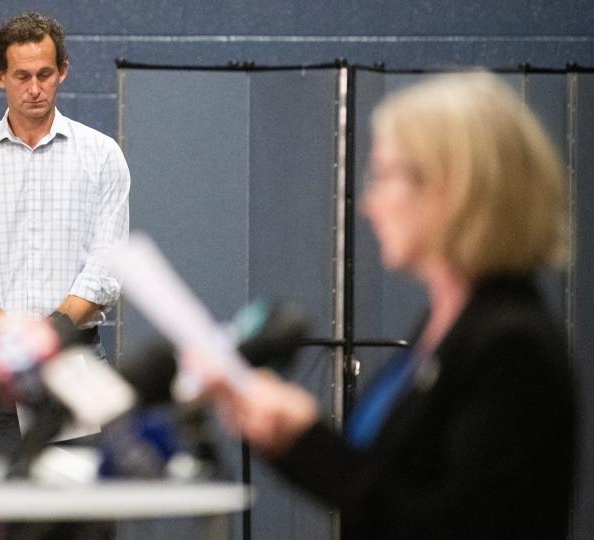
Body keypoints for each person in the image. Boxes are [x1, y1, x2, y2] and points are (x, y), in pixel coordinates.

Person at [194, 72, 575, 539]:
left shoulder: (511, 346)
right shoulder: (447, 324)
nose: (370, 204)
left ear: (453, 187)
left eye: (386, 175)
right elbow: (381, 490)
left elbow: (453, 527)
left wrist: (307, 441)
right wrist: (287, 438)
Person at [0, 12, 130, 454]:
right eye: (21, 76)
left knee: (78, 510)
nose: (35, 88)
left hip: (75, 356)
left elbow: (106, 265)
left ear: (63, 71)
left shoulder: (102, 157)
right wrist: (13, 340)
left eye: (45, 74)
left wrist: (51, 331)